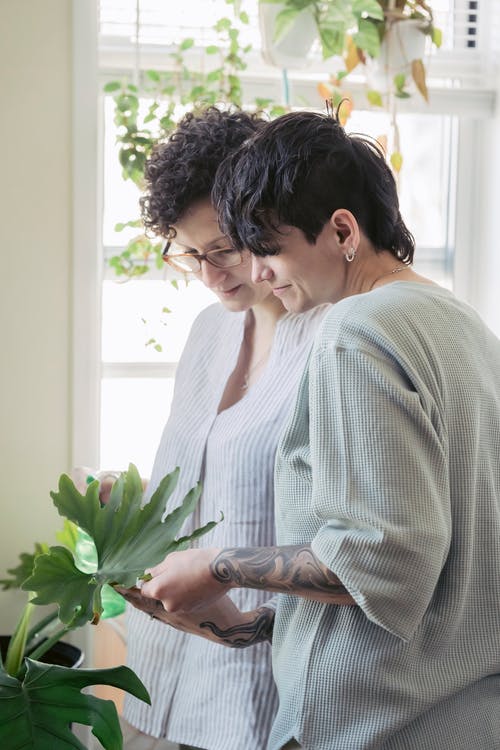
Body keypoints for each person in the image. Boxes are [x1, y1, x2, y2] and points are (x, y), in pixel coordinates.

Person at [124, 110, 500, 750]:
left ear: (342, 229)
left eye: (262, 249)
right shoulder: (463, 326)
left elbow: (382, 559)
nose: (258, 272)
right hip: (458, 708)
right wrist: (243, 625)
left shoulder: (355, 331)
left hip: (373, 721)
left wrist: (218, 566)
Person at [116, 108, 327, 750]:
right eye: (189, 252)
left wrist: (240, 617)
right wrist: (125, 508)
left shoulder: (333, 343)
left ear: (267, 223)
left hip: (262, 691)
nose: (210, 276)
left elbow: (350, 544)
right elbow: (199, 482)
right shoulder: (208, 332)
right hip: (163, 669)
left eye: (223, 249)